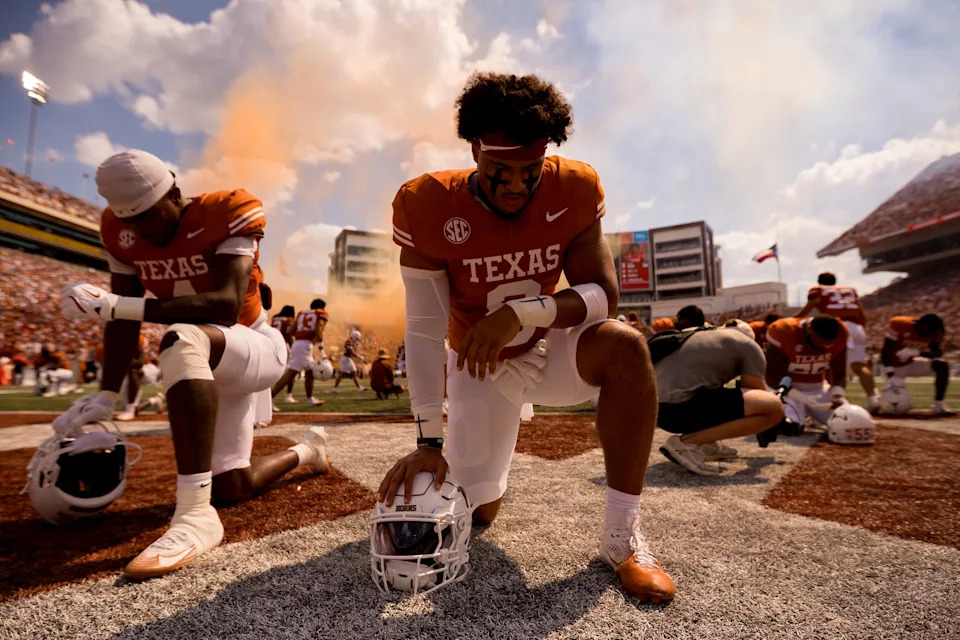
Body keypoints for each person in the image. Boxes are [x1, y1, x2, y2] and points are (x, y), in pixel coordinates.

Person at [376, 72, 674, 603]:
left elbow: (604, 295)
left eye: (529, 171)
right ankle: (495, 454)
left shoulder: (574, 186)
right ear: (475, 151)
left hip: (549, 347)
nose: (516, 185)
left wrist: (522, 312)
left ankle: (622, 537)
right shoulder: (427, 203)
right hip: (478, 362)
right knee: (478, 513)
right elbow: (423, 329)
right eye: (500, 171)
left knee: (626, 344)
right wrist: (427, 440)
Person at [57, 149, 329, 580]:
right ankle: (308, 452)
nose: (141, 229)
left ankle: (194, 516)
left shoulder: (226, 211)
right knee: (232, 487)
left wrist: (114, 306)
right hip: (204, 358)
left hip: (254, 345)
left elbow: (223, 305)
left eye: (148, 215)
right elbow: (121, 322)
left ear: (175, 193)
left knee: (182, 336)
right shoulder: (118, 231)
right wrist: (106, 395)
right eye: (130, 221)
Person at [655, 320, 784, 475]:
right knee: (773, 407)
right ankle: (686, 444)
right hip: (679, 409)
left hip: (655, 411)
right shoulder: (748, 345)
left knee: (712, 389)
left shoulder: (699, 333)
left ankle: (708, 444)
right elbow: (758, 395)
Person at [796, 272, 877, 411]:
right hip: (857, 328)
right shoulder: (849, 290)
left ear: (819, 281)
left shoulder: (818, 291)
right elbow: (862, 315)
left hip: (836, 327)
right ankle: (873, 399)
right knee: (859, 366)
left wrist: (791, 320)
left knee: (829, 366)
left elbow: (805, 311)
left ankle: (833, 402)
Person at [764, 315, 848, 426]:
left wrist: (836, 393)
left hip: (817, 389)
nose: (825, 347)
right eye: (821, 342)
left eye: (829, 344)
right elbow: (771, 376)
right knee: (790, 426)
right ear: (809, 330)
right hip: (785, 391)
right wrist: (798, 396)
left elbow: (840, 372)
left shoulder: (841, 333)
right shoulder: (785, 332)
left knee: (847, 419)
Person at [881, 314, 951, 414]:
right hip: (893, 367)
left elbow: (937, 354)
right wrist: (891, 375)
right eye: (928, 330)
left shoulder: (934, 333)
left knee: (942, 365)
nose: (929, 334)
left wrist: (918, 353)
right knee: (894, 407)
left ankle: (938, 405)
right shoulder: (901, 325)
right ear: (921, 325)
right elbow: (885, 352)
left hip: (911, 364)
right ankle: (876, 400)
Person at [271, 300, 328, 407]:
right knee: (290, 374)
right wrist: (322, 351)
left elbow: (290, 332)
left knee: (310, 373)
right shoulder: (320, 313)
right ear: (322, 307)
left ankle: (310, 399)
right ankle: (270, 398)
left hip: (298, 343)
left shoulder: (302, 313)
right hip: (305, 345)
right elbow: (319, 331)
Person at [270, 305, 297, 403]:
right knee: (290, 372)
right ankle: (288, 396)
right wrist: (293, 345)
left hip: (271, 344)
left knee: (271, 372)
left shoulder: (275, 318)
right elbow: (288, 334)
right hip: (283, 345)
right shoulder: (289, 320)